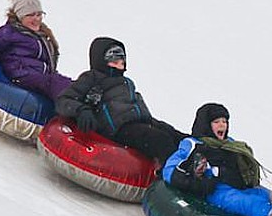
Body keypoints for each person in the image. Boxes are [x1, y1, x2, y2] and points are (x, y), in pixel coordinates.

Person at [54, 36, 186, 164]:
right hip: (119, 128)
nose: (119, 66)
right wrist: (81, 110)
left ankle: (197, 165)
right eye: (114, 62)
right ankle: (170, 178)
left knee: (176, 136)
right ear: (102, 61)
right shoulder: (92, 78)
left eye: (121, 62)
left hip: (140, 121)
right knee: (160, 140)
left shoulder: (126, 82)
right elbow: (64, 99)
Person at [162, 103, 272, 216]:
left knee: (271, 197)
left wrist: (227, 173)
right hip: (217, 192)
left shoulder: (231, 145)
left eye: (224, 122)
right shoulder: (193, 144)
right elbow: (169, 170)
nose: (222, 125)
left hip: (238, 186)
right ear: (205, 125)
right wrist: (196, 184)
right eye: (216, 122)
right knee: (255, 204)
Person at [0, 0, 73, 99]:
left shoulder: (42, 35)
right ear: (20, 16)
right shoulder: (9, 32)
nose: (37, 19)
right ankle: (69, 113)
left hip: (42, 78)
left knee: (75, 85)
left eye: (39, 14)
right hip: (22, 76)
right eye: (31, 15)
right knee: (55, 82)